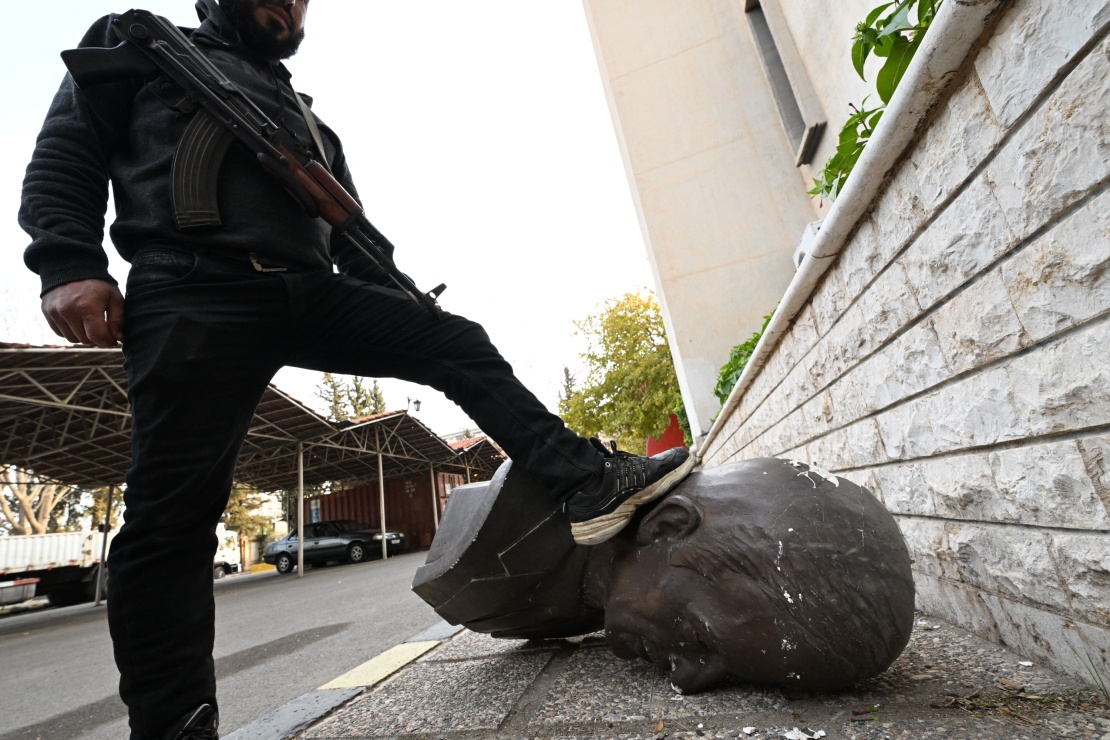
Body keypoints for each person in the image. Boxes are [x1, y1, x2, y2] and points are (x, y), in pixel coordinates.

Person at [17, 1, 693, 737]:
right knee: (172, 520)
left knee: (454, 341)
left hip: (308, 290)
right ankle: (174, 724)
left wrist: (400, 304)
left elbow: (354, 238)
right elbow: (67, 149)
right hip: (191, 285)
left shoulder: (308, 124)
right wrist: (68, 261)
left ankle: (585, 485)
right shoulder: (141, 41)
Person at [414, 457, 915, 695]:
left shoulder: (571, 598)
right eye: (700, 637)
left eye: (737, 677)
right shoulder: (487, 558)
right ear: (667, 527)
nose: (687, 676)